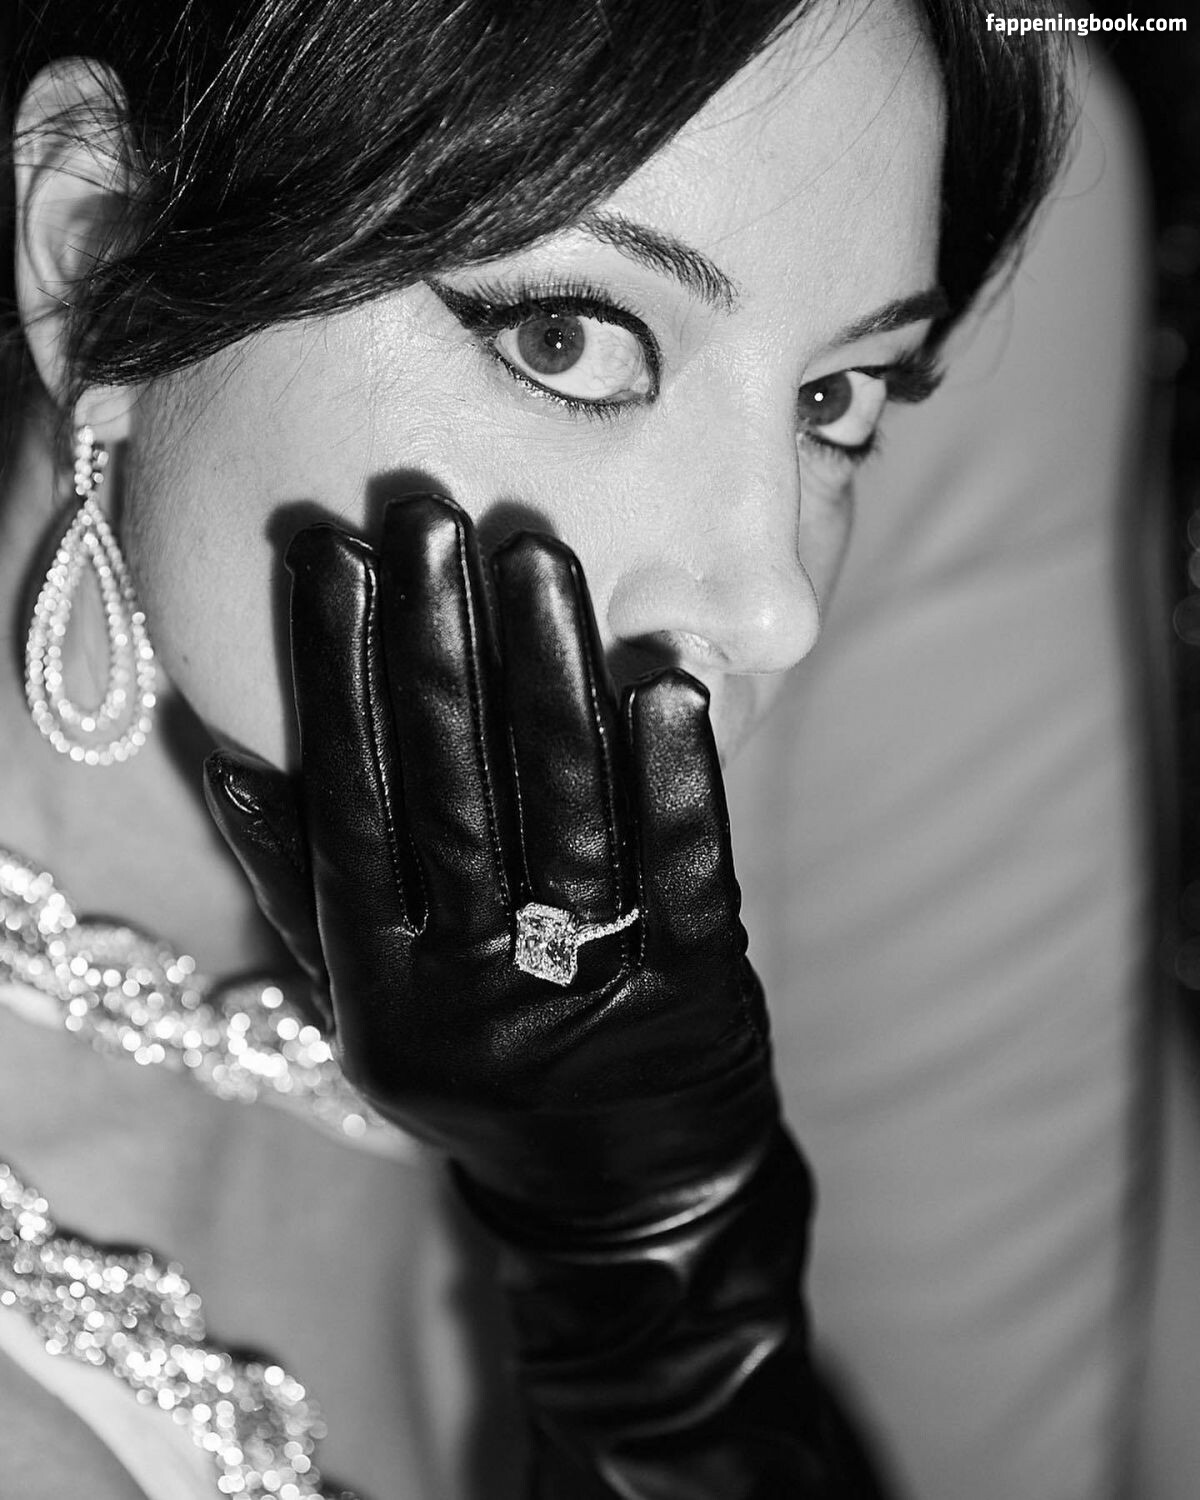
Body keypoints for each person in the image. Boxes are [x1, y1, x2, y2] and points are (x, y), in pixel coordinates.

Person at [0, 1, 1068, 1496]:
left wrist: (656, 1260)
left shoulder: (531, 1025)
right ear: (96, 254)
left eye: (836, 401)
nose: (771, 606)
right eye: (568, 341)